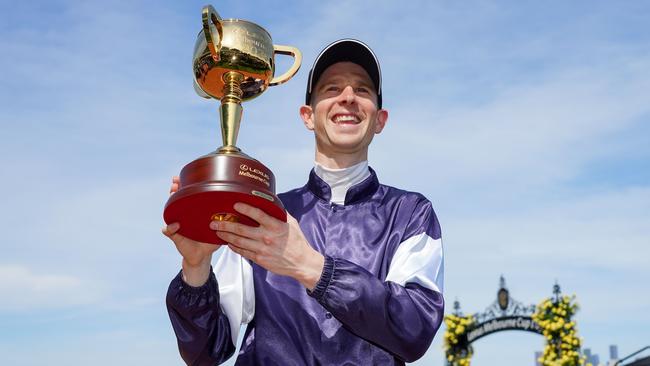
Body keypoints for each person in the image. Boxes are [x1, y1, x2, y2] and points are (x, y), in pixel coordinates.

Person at [163, 39, 444, 366]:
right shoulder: (261, 213)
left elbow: (415, 328)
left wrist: (311, 267)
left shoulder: (411, 213)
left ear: (380, 119)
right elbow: (205, 352)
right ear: (307, 115)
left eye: (363, 90)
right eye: (332, 88)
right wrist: (196, 268)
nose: (348, 97)